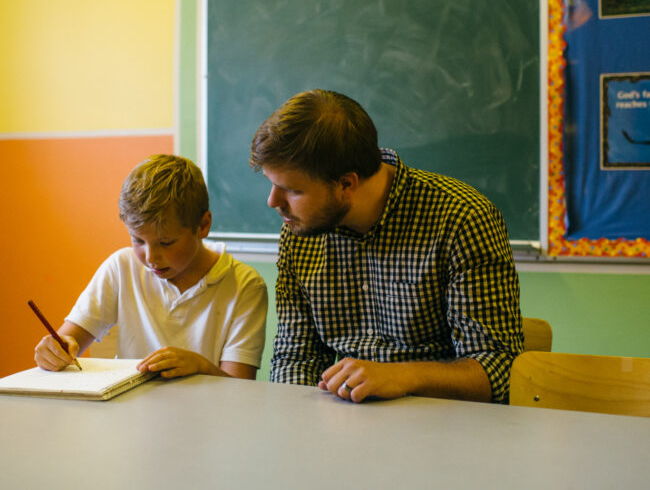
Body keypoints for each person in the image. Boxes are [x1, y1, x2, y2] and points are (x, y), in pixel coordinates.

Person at [250, 89, 523, 403]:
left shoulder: (462, 219)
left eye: (292, 190)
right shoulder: (302, 229)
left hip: (441, 427)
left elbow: (498, 371)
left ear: (346, 184)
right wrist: (297, 425)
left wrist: (400, 375)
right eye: (272, 184)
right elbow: (295, 357)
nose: (273, 202)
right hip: (337, 425)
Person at [34, 155, 268, 380]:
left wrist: (199, 366)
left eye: (166, 243)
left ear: (203, 225)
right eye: (138, 240)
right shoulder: (121, 267)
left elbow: (240, 387)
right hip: (131, 414)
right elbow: (68, 340)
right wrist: (55, 351)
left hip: (207, 417)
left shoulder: (245, 285)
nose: (150, 257)